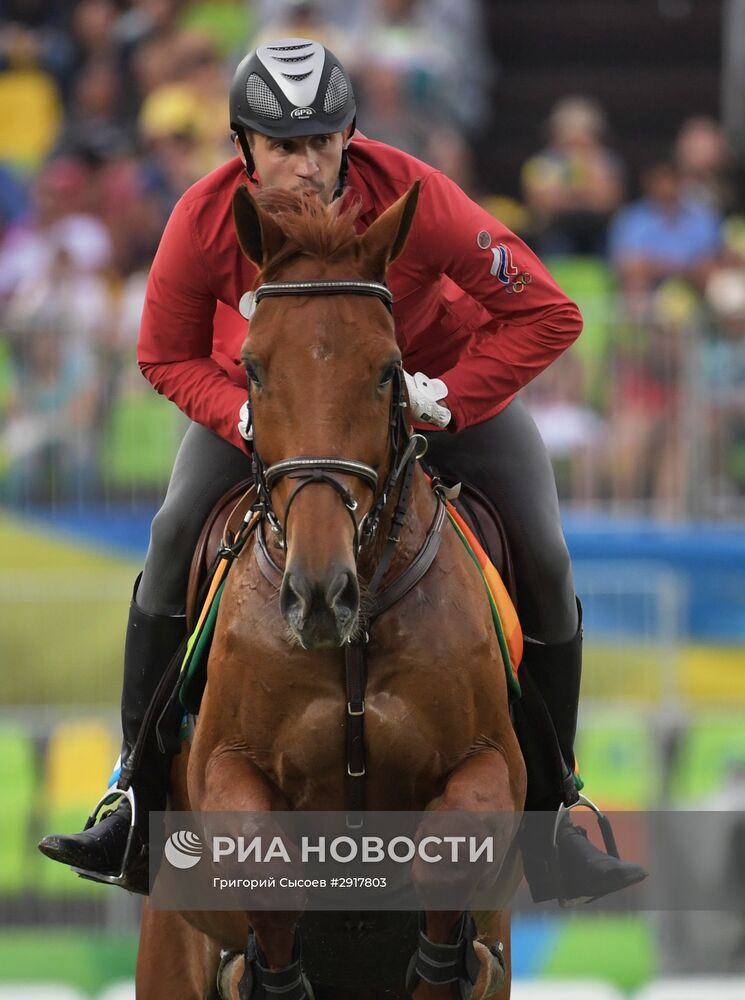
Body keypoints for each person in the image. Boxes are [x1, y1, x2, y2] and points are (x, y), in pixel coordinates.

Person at [39, 38, 646, 905]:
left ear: (349, 137)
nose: (306, 163)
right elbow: (161, 354)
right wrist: (237, 413)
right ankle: (131, 793)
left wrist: (448, 394)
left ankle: (552, 815)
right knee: (173, 532)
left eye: (323, 141)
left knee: (545, 555)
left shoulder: (412, 195)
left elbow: (549, 312)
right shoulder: (203, 218)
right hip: (276, 413)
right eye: (284, 145)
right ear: (243, 145)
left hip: (428, 393)